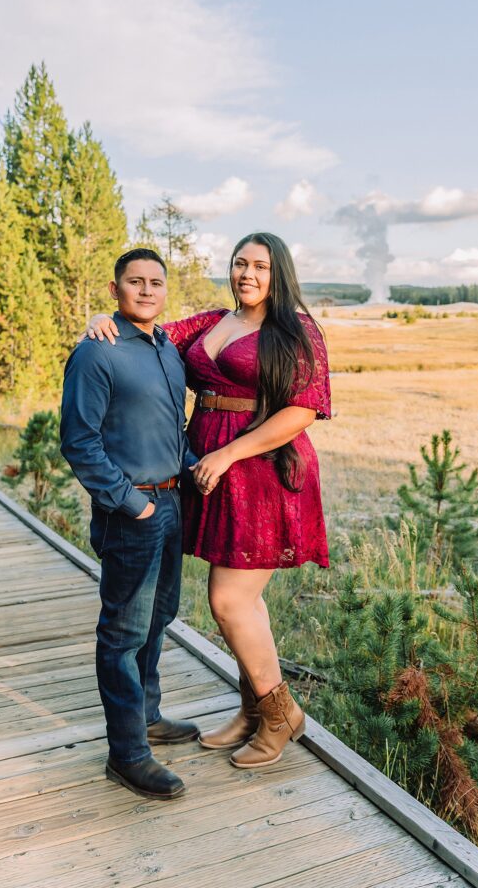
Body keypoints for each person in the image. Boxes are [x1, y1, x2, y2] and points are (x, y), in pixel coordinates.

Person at [86, 232, 331, 770]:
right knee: (246, 603)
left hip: (262, 471)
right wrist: (103, 320)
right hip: (211, 474)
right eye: (240, 263)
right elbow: (147, 331)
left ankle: (281, 715)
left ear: (279, 272)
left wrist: (228, 454)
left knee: (229, 601)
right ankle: (252, 711)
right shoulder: (213, 322)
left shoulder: (296, 329)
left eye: (260, 266)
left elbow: (302, 411)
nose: (248, 274)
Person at [60, 247, 200, 801]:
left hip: (171, 503)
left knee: (159, 615)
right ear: (115, 289)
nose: (145, 290)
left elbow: (170, 428)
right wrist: (129, 502)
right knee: (122, 634)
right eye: (135, 281)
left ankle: (147, 716)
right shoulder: (98, 352)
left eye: (155, 282)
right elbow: (79, 441)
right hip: (131, 511)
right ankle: (127, 754)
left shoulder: (167, 349)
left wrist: (192, 468)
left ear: (165, 290)